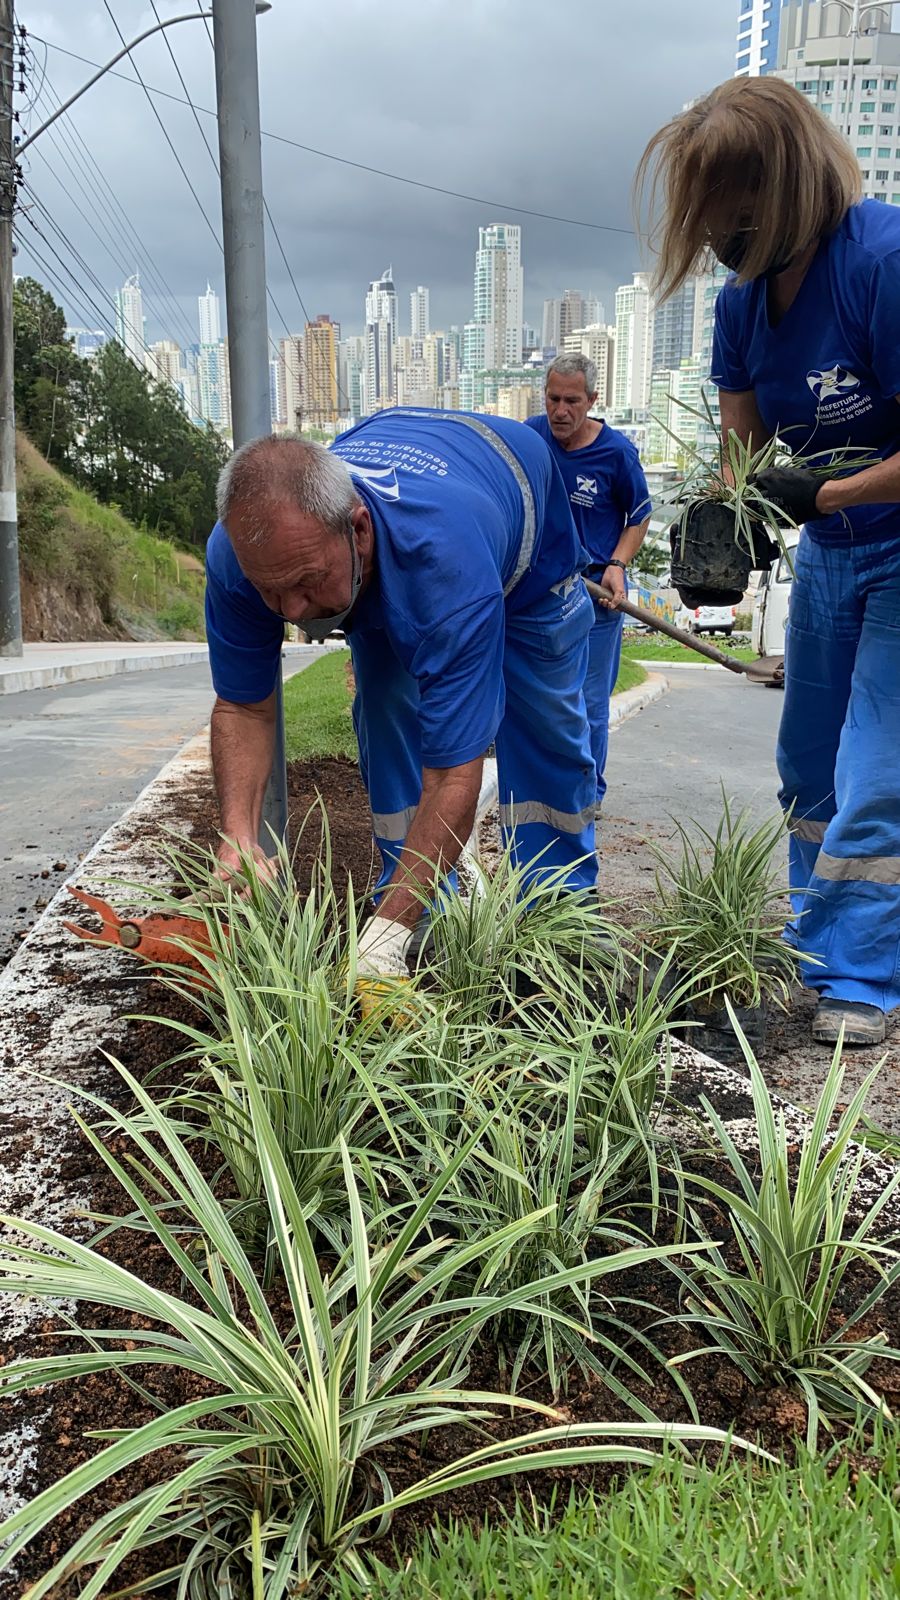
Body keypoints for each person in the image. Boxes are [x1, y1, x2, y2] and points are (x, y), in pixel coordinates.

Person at [637, 75, 900, 1046]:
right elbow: (741, 451)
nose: (715, 234)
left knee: (878, 764)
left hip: (896, 546)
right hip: (832, 555)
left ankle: (864, 979)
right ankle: (812, 952)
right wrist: (728, 519)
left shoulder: (883, 261)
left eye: (731, 208)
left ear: (782, 184)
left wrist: (824, 492)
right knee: (807, 766)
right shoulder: (744, 306)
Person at [204, 408, 599, 1002]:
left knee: (543, 729)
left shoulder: (445, 572)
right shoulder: (247, 553)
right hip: (397, 523)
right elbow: (243, 709)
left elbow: (452, 776)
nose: (290, 610)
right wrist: (238, 833)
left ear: (357, 529)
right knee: (386, 702)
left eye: (308, 582)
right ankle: (421, 910)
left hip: (525, 548)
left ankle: (557, 924)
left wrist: (379, 939)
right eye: (270, 590)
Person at [526, 355, 651, 815]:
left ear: (593, 401)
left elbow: (638, 516)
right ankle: (549, 783)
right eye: (553, 398)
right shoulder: (531, 436)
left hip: (597, 595)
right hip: (540, 593)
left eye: (572, 401)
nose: (560, 410)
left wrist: (618, 563)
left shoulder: (616, 453)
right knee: (541, 695)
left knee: (589, 701)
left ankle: (588, 794)